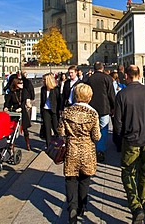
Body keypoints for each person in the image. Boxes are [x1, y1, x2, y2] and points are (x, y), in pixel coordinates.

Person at [113, 65, 145, 223]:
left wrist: (120, 138)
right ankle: (142, 201)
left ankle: (135, 205)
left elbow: (117, 122)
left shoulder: (122, 94)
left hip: (130, 140)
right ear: (139, 75)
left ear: (127, 76)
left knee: (128, 172)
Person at [57, 83, 101, 223]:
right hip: (87, 150)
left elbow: (61, 131)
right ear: (89, 96)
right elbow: (96, 136)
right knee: (84, 179)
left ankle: (72, 208)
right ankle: (82, 206)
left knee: (71, 179)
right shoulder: (93, 113)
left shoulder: (67, 112)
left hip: (72, 149)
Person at [86, 61, 115, 162]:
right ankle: (100, 150)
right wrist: (113, 107)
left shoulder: (90, 79)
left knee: (93, 128)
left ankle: (93, 147)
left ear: (94, 69)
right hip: (104, 107)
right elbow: (111, 94)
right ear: (102, 68)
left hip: (92, 107)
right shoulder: (107, 78)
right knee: (103, 128)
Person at [3, 77, 33, 151]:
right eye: (20, 83)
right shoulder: (11, 93)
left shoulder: (24, 91)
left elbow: (26, 101)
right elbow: (7, 102)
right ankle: (11, 144)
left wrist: (24, 107)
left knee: (25, 129)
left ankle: (28, 143)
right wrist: (6, 107)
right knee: (12, 128)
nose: (22, 84)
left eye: (22, 83)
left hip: (22, 110)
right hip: (14, 111)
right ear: (16, 84)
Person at [40, 73, 61, 146]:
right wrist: (41, 112)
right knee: (47, 128)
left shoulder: (56, 89)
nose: (43, 81)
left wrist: (59, 110)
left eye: (44, 80)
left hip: (54, 110)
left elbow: (59, 101)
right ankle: (48, 145)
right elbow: (42, 101)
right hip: (46, 110)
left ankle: (59, 142)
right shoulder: (43, 89)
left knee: (56, 127)